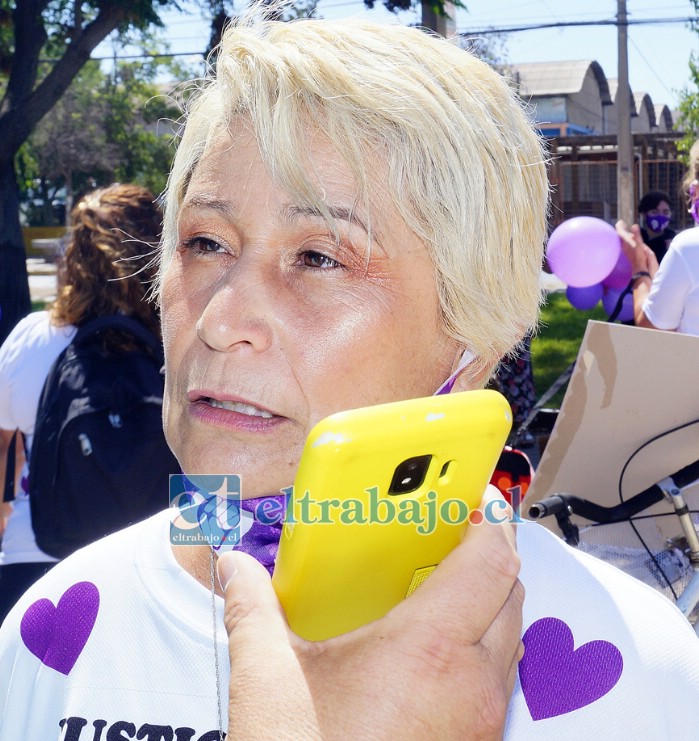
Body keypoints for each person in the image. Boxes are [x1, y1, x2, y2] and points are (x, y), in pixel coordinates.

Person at [1, 13, 698, 740]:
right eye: (205, 242)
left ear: (473, 337)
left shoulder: (648, 673)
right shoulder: (47, 636)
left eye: (319, 257)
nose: (219, 319)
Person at [0, 183, 165, 624]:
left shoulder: (31, 338)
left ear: (73, 257)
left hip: (38, 557)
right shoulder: (182, 345)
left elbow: (3, 448)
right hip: (152, 567)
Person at [617, 144, 699, 335]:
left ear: (695, 190)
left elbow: (653, 327)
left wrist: (639, 271)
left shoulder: (687, 247)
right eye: (655, 212)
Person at [637, 190, 676, 264]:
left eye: (665, 212)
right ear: (644, 214)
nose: (661, 216)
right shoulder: (638, 239)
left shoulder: (674, 241)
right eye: (655, 212)